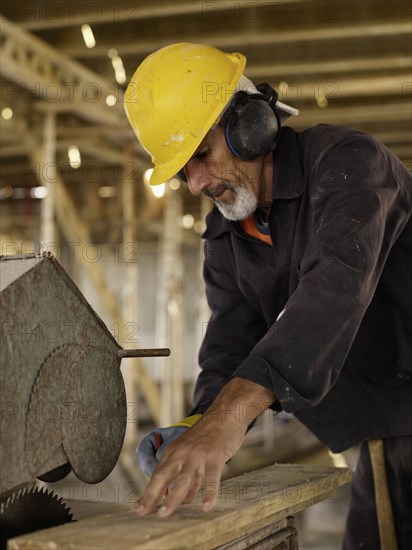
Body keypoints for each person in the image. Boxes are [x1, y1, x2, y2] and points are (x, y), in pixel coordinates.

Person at [124, 43, 412, 548]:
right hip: (382, 423)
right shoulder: (228, 233)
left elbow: (335, 287)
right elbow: (231, 342)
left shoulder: (350, 166)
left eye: (201, 156)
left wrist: (231, 419)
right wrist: (200, 422)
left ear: (250, 127)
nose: (195, 184)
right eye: (183, 170)